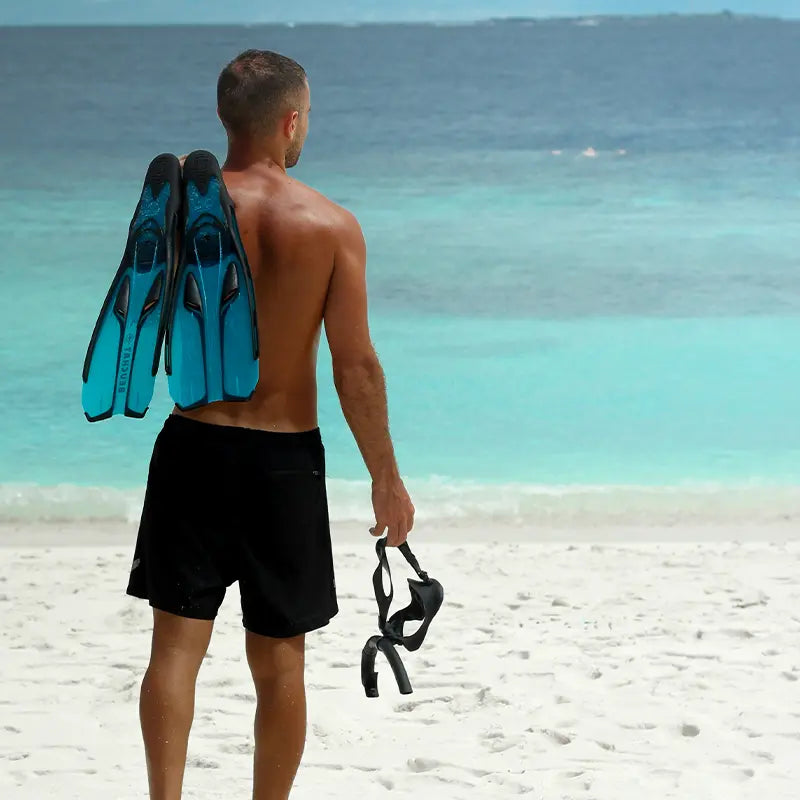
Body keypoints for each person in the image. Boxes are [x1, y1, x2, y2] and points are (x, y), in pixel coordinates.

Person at [125, 49, 415, 800]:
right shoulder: (331, 226)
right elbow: (357, 366)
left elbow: (147, 318)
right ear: (290, 121)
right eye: (307, 116)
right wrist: (386, 477)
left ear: (228, 118)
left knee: (175, 651)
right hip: (284, 463)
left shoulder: (182, 212)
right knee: (280, 663)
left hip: (191, 447)